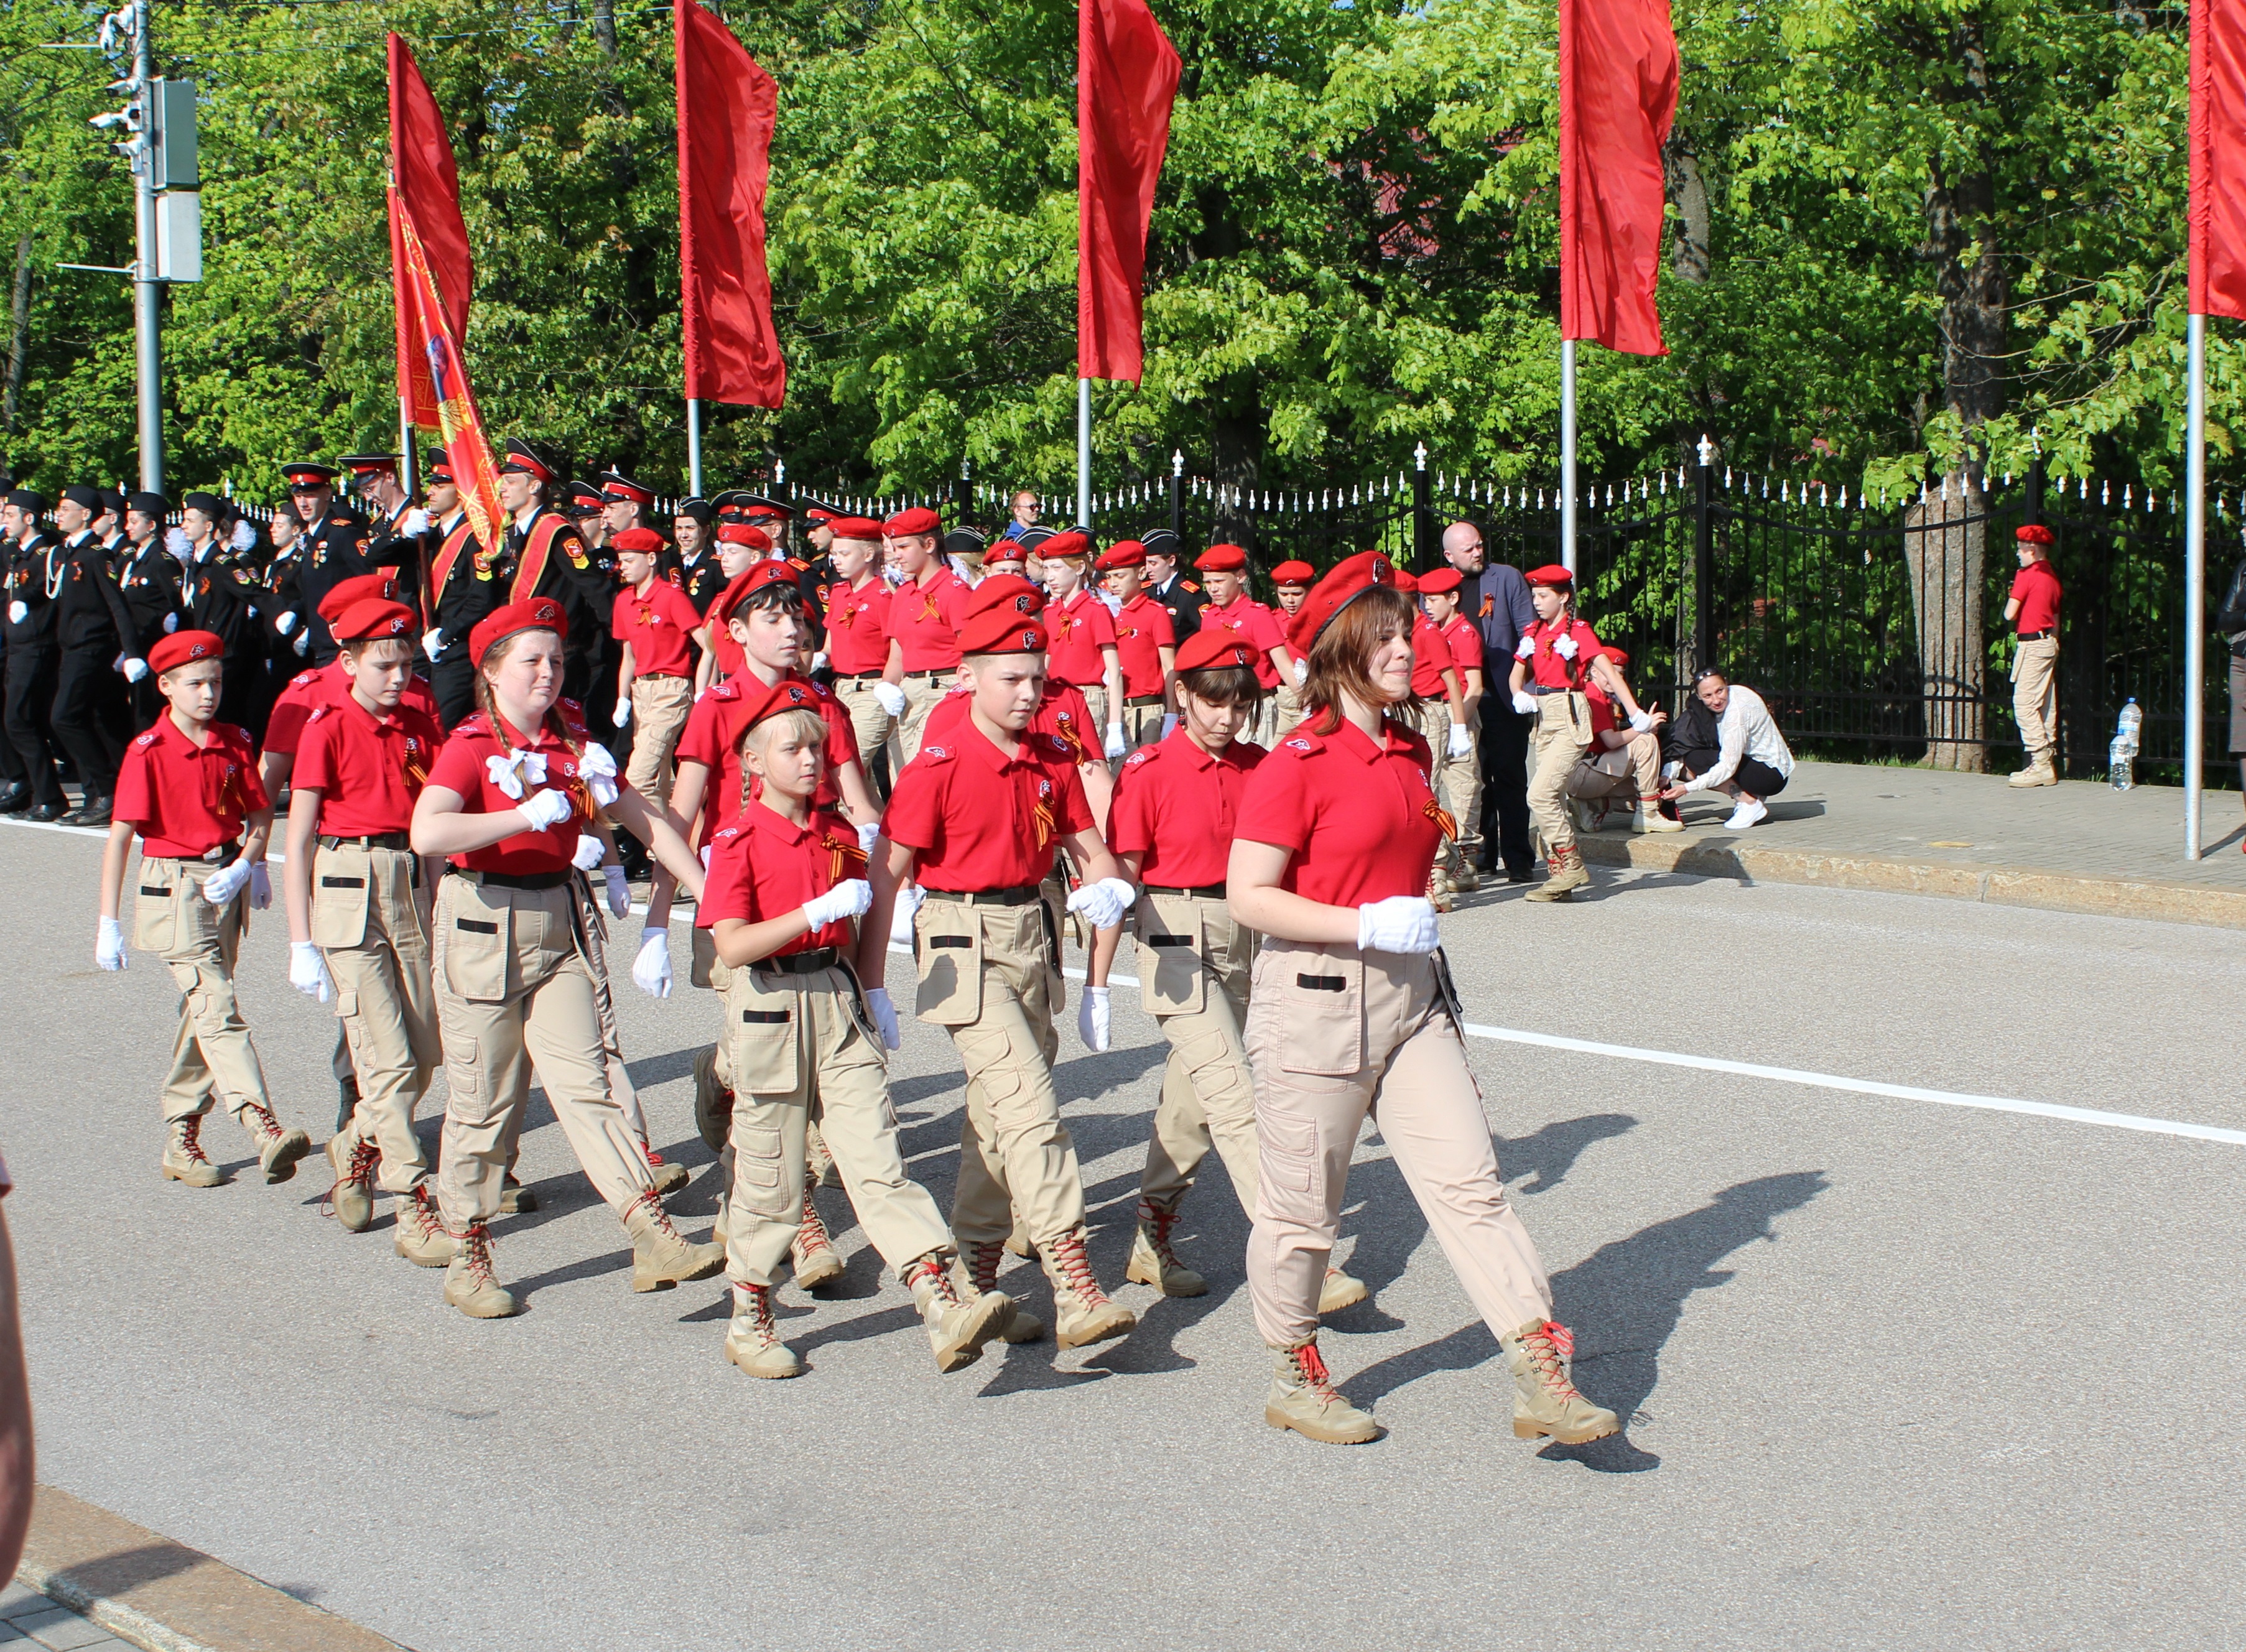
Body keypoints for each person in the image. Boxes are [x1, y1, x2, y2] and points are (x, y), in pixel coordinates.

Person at [1227, 551, 1617, 1447]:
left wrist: (1395, 932)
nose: (1407, 649)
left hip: (1411, 1002)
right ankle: (1293, 1369)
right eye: (1387, 638)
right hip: (1316, 1000)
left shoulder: (1407, 746)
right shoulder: (1296, 761)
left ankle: (1538, 1372)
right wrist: (1361, 924)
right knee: (1301, 1212)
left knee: (1471, 1186)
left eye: (1407, 634)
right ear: (1340, 651)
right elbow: (1249, 895)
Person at [408, 596, 722, 1320]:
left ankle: (651, 1231)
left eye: (555, 660)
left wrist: (705, 894)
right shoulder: (469, 743)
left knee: (588, 1083)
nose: (549, 673)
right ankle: (468, 1249)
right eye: (531, 662)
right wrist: (521, 816)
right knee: (484, 1099)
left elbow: (646, 819)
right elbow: (428, 831)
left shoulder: (573, 744)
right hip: (484, 920)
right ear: (490, 673)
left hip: (559, 921)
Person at [699, 678, 1016, 1378]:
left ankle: (939, 1302)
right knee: (773, 1173)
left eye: (816, 746)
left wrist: (872, 987)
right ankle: (750, 1313)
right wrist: (811, 914)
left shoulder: (839, 831)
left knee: (876, 1160)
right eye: (791, 748)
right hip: (770, 1005)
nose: (810, 759)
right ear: (753, 762)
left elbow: (868, 916)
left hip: (835, 999)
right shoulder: (738, 838)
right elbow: (730, 945)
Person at [860, 596, 1139, 1353]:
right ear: (968, 677)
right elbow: (888, 874)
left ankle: (975, 1284)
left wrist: (1105, 913)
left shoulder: (1050, 758)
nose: (1027, 692)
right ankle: (1074, 1281)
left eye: (1037, 678)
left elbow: (1090, 853)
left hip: (1033, 935)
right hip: (962, 939)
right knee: (1031, 1110)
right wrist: (872, 981)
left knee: (993, 1115)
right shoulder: (939, 764)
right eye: (1011, 677)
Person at [1101, 626, 1367, 1312]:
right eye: (1213, 703)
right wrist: (1096, 978)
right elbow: (1121, 876)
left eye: (1240, 706)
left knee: (1193, 1101)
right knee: (1239, 1095)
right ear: (1182, 694)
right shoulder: (1148, 768)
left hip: (1247, 935)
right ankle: (1301, 1258)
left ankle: (1149, 1237)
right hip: (1172, 936)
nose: (1226, 719)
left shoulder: (1260, 764)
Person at [95, 630, 314, 1189]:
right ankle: (260, 1123)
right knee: (217, 1004)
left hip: (224, 880)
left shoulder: (235, 741)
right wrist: (108, 922)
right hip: (173, 884)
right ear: (166, 687)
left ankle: (181, 1135)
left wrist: (250, 864)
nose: (208, 693)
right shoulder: (149, 751)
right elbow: (120, 837)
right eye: (195, 684)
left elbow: (260, 814)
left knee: (204, 1010)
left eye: (215, 681)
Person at [279, 596, 453, 1266]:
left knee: (427, 1049)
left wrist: (438, 901)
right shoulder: (324, 727)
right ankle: (412, 1202)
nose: (397, 677)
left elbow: (432, 823)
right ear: (348, 662)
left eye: (406, 664)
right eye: (383, 664)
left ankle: (355, 1145)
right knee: (387, 1059)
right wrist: (301, 940)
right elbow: (297, 841)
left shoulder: (419, 720)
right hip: (349, 882)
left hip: (408, 881)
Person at [1508, 564, 1653, 903]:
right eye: (1534, 595)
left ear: (1564, 597)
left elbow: (1610, 675)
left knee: (1539, 795)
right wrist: (1518, 694)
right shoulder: (1534, 631)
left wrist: (1634, 712)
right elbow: (1517, 673)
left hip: (1570, 714)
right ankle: (1560, 877)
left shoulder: (1579, 632)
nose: (1537, 602)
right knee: (1553, 796)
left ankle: (1570, 863)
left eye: (1544, 596)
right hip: (1542, 716)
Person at [1439, 520, 1538, 883]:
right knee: (1473, 778)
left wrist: (1527, 688)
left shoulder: (1507, 578)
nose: (1478, 553)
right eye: (1469, 549)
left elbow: (1530, 632)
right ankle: (1480, 855)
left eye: (1480, 545)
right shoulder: (1438, 589)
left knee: (1509, 775)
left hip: (1501, 692)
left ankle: (1518, 858)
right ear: (1450, 556)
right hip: (1461, 695)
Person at [48, 484, 141, 826]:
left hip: (92, 649)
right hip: (72, 648)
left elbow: (118, 607)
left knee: (64, 717)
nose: (60, 513)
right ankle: (102, 793)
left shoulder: (96, 556)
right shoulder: (68, 554)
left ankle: (106, 790)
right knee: (103, 721)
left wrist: (131, 652)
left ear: (86, 515)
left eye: (67, 508)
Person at [610, 525, 710, 810]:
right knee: (660, 783)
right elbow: (628, 656)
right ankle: (673, 847)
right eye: (621, 561)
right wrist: (622, 699)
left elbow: (705, 642)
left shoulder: (671, 596)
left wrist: (703, 685)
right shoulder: (623, 601)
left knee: (639, 777)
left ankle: (665, 844)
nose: (623, 568)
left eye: (630, 560)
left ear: (651, 560)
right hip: (641, 691)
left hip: (672, 689)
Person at [1392, 570, 1475, 907]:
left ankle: (1436, 876)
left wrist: (1458, 726)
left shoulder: (1427, 632)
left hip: (1430, 712)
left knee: (1427, 793)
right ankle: (1440, 866)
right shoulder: (1404, 633)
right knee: (1411, 793)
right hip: (1408, 710)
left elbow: (1452, 680)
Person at [876, 505, 970, 769]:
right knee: (904, 774)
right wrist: (886, 686)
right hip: (909, 694)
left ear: (929, 544)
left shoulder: (955, 591)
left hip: (944, 689)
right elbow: (898, 654)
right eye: (894, 548)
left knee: (927, 771)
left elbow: (970, 651)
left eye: (904, 547)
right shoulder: (903, 595)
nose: (897, 556)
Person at [419, 449, 501, 728]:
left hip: (457, 649)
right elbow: (378, 556)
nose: (431, 491)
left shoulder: (474, 539)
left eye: (441, 485)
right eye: (431, 484)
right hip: (426, 648)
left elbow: (481, 599)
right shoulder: (430, 537)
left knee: (442, 726)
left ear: (461, 491)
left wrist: (445, 634)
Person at [1415, 566, 1488, 880]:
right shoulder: (1436, 632)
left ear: (1453, 598)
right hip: (1436, 714)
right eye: (1425, 600)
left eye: (1433, 599)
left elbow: (1475, 685)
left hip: (1458, 715)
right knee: (1432, 789)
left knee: (1463, 790)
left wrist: (1460, 723)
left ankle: (1467, 859)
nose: (1427, 606)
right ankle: (1441, 858)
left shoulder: (1464, 633)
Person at [1658, 667, 1794, 828]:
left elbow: (1727, 767)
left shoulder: (1735, 714)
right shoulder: (1704, 707)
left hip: (1771, 775)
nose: (1716, 700)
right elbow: (1686, 743)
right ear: (1699, 696)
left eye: (1720, 691)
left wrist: (1687, 789)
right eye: (1708, 696)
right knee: (1688, 760)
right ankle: (1751, 797)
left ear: (1727, 685)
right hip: (1757, 763)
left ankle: (1749, 803)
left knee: (1696, 760)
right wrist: (1668, 775)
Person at [2, 489, 67, 820]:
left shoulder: (46, 553)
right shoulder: (19, 555)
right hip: (18, 647)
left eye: (11, 515)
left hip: (36, 648)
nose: (5, 520)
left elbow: (47, 585)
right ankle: (38, 792)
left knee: (18, 720)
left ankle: (48, 796)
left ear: (30, 518)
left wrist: (25, 598)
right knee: (22, 720)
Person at [819, 517, 896, 796]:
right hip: (842, 689)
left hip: (872, 690)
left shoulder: (883, 597)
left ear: (868, 554)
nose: (836, 560)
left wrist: (889, 685)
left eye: (844, 553)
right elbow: (830, 646)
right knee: (861, 783)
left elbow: (897, 648)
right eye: (833, 553)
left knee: (846, 770)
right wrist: (820, 657)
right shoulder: (839, 593)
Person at [1567, 646, 1679, 835]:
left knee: (1651, 796)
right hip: (1583, 771)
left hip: (1586, 773)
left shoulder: (1601, 695)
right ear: (1594, 671)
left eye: (1620, 675)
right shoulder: (1594, 696)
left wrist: (1642, 729)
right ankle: (1648, 816)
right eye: (1612, 673)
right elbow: (1611, 742)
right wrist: (1642, 729)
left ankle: (1592, 806)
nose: (1617, 680)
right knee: (1647, 741)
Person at [1193, 544, 1296, 747]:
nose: (1213, 588)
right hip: (1219, 703)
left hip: (1253, 704)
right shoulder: (1210, 616)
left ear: (1240, 577)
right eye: (1208, 582)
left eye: (1220, 581)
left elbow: (1283, 664)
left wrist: (1311, 703)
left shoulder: (1257, 615)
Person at [1037, 531, 1127, 761]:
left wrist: (1114, 726)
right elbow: (1047, 660)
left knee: (1089, 766)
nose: (1050, 577)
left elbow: (1114, 671)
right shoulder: (1050, 612)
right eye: (1046, 569)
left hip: (1089, 697)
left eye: (1057, 568)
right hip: (1055, 696)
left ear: (1079, 568)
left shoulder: (1095, 611)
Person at [1096, 539, 1177, 753]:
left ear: (1141, 574)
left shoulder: (1155, 613)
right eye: (1110, 577)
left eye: (1120, 576)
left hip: (1146, 709)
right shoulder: (1108, 613)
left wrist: (1172, 714)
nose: (1113, 583)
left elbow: (1170, 667)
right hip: (1114, 707)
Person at [2005, 523, 2063, 787]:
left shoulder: (2027, 575)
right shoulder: (2051, 576)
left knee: (2025, 703)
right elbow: (2055, 616)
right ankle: (2047, 756)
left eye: (2020, 549)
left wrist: (2014, 597)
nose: (2018, 553)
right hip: (2049, 641)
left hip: (2031, 644)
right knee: (2045, 702)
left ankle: (2040, 763)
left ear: (2031, 549)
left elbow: (2009, 613)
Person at [1142, 529, 1204, 641]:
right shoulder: (1145, 592)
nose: (1148, 570)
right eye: (1146, 564)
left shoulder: (1191, 597)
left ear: (1171, 561)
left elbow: (1207, 636)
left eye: (1153, 563)